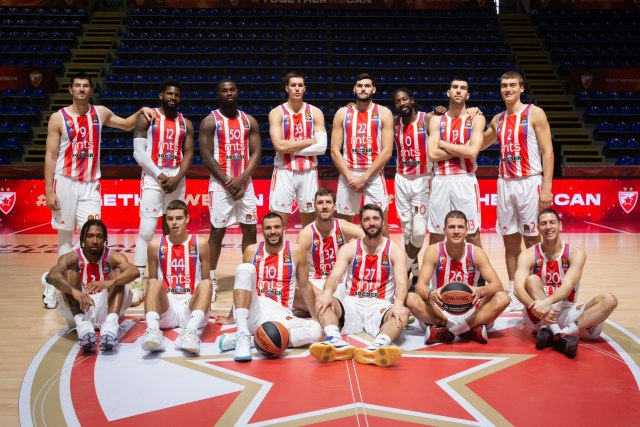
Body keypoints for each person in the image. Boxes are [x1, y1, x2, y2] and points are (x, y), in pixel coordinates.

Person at [42, 72, 153, 309]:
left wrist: (141, 110)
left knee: (91, 234)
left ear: (91, 90)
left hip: (91, 184)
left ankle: (79, 280)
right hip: (65, 181)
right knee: (65, 237)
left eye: (85, 86)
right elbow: (50, 156)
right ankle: (54, 285)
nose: (81, 89)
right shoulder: (58, 118)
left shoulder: (100, 113)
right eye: (77, 86)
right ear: (70, 90)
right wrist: (49, 190)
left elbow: (126, 125)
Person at [482, 71, 554, 312]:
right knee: (510, 240)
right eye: (504, 85)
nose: (508, 89)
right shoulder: (498, 119)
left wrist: (547, 187)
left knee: (533, 240)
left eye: (513, 85)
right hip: (505, 182)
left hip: (529, 181)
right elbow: (480, 144)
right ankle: (514, 292)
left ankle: (535, 288)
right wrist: (472, 118)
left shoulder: (534, 113)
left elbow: (547, 151)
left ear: (521, 88)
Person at [310, 204, 410, 367]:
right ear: (361, 224)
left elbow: (402, 283)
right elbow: (334, 277)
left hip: (380, 306)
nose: (372, 223)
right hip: (352, 304)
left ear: (382, 222)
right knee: (322, 300)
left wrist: (398, 304)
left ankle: (379, 346)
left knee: (401, 312)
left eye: (375, 219)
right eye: (367, 219)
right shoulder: (349, 248)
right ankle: (335, 341)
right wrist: (327, 292)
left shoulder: (395, 250)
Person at [514, 208, 618, 358]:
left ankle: (559, 334)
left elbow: (568, 286)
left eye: (552, 222)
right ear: (538, 228)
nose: (548, 227)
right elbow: (518, 289)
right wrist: (536, 307)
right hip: (540, 315)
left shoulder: (576, 253)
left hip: (567, 310)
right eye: (543, 223)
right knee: (531, 280)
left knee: (609, 300)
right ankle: (560, 334)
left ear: (560, 226)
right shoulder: (528, 254)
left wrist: (548, 302)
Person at [218, 212, 322, 362]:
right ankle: (242, 334)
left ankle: (252, 341)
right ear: (262, 231)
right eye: (268, 228)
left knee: (315, 330)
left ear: (284, 229)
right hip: (255, 309)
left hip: (280, 314)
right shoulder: (252, 251)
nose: (273, 231)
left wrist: (316, 318)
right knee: (244, 269)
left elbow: (305, 286)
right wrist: (230, 317)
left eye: (276, 227)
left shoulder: (296, 251)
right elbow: (242, 286)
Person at [131, 79, 195, 307]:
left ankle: (172, 276)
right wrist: (160, 175)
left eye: (176, 95)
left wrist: (177, 177)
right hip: (152, 177)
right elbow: (139, 153)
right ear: (161, 95)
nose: (172, 98)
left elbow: (189, 154)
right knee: (147, 230)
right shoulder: (147, 118)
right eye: (169, 94)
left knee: (175, 229)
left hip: (177, 179)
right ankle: (137, 283)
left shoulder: (186, 123)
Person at [199, 79, 261, 301]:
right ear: (218, 94)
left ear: (237, 92)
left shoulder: (249, 120)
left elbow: (256, 152)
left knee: (250, 230)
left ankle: (248, 277)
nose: (228, 93)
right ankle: (210, 279)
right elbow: (206, 156)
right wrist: (228, 181)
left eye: (232, 89)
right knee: (217, 232)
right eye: (224, 90)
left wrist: (241, 179)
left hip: (245, 184)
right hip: (220, 185)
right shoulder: (210, 121)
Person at [407, 210, 509, 345]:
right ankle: (466, 329)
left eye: (460, 227)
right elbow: (420, 287)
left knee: (503, 298)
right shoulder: (434, 251)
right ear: (444, 231)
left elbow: (497, 285)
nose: (456, 231)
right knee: (410, 298)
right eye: (451, 227)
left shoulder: (476, 252)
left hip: (470, 309)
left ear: (466, 231)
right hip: (440, 309)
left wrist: (480, 291)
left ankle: (447, 330)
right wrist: (431, 294)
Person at [45, 219, 139, 352]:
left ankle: (110, 325)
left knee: (118, 274)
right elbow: (52, 275)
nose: (95, 241)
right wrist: (73, 291)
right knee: (69, 275)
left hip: (107, 308)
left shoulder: (113, 256)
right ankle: (82, 325)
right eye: (90, 236)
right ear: (82, 238)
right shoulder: (71, 257)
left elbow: (134, 271)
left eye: (99, 236)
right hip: (79, 308)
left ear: (105, 239)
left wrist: (110, 282)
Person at [140, 200, 214, 355]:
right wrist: (150, 310)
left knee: (207, 283)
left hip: (190, 306)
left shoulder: (200, 244)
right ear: (166, 220)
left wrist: (204, 307)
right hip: (167, 308)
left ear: (187, 218)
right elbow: (153, 285)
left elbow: (206, 279)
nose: (174, 223)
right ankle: (153, 331)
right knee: (152, 282)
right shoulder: (155, 245)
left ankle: (190, 333)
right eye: (170, 218)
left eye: (179, 218)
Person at [392, 87, 446, 289]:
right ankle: (415, 277)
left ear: (412, 100)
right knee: (407, 232)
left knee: (419, 231)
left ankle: (403, 270)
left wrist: (443, 111)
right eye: (398, 101)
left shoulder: (427, 119)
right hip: (401, 179)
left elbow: (449, 120)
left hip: (422, 179)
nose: (402, 103)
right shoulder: (394, 122)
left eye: (405, 99)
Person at [330, 73, 394, 235]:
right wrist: (351, 178)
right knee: (344, 227)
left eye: (367, 86)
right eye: (359, 86)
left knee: (381, 227)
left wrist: (364, 178)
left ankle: (381, 253)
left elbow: (387, 151)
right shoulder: (342, 113)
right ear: (354, 89)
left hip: (373, 173)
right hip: (348, 173)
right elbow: (334, 151)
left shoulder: (384, 113)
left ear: (374, 89)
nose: (363, 89)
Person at [427, 78, 485, 248]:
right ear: (448, 92)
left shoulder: (477, 119)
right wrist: (463, 148)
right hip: (440, 179)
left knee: (472, 235)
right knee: (436, 234)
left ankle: (477, 267)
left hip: (465, 178)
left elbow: (472, 152)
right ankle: (436, 266)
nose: (458, 91)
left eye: (463, 88)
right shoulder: (436, 120)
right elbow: (432, 154)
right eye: (455, 87)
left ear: (468, 95)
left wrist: (443, 143)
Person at [268, 71, 327, 228]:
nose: (297, 88)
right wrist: (309, 141)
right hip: (284, 170)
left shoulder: (315, 112)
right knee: (278, 221)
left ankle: (307, 246)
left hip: (308, 170)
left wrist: (289, 147)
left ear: (304, 88)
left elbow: (321, 147)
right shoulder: (277, 113)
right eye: (293, 85)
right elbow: (279, 146)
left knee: (310, 222)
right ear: (287, 88)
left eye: (300, 85)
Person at [296, 188, 364, 306]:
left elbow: (369, 239)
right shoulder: (306, 234)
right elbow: (296, 270)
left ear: (335, 207)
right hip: (316, 282)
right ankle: (333, 305)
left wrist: (352, 250)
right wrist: (321, 294)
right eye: (320, 203)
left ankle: (332, 306)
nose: (324, 206)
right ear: (314, 207)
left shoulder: (343, 226)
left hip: (340, 280)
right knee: (295, 289)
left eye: (328, 202)